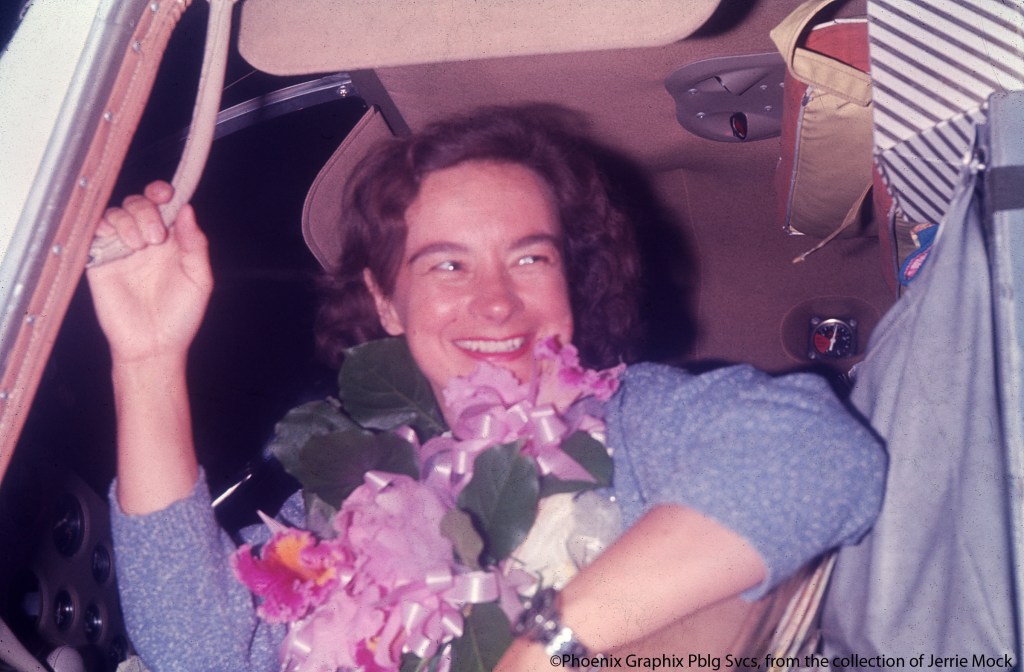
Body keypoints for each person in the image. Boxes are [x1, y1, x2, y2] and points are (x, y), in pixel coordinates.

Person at [87, 107, 886, 672]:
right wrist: (147, 359)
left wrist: (544, 649)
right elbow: (197, 650)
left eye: (531, 258)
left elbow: (820, 456)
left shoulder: (633, 418)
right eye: (448, 265)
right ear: (386, 303)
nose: (498, 303)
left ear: (571, 280)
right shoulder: (347, 507)